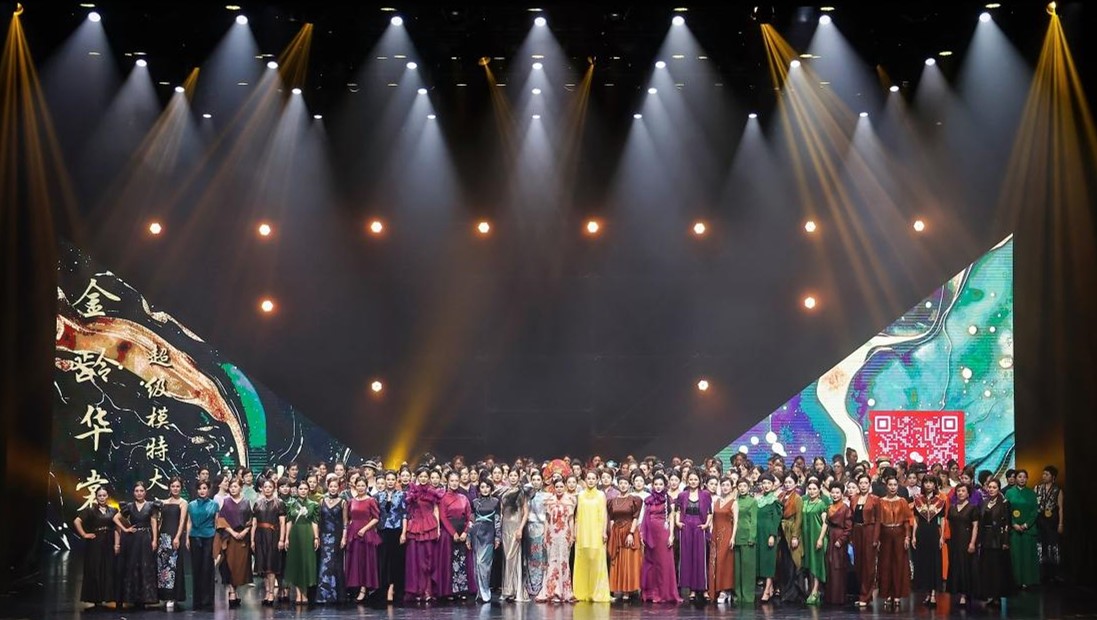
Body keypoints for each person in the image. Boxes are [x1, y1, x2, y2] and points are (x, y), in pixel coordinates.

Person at [114, 480, 159, 608]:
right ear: (134, 493)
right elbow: (115, 518)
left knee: (145, 565)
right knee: (132, 565)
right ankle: (132, 597)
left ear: (145, 492)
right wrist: (125, 529)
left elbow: (154, 523)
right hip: (132, 539)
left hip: (146, 538)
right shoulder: (129, 506)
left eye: (141, 491)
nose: (139, 493)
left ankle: (145, 598)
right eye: (137, 491)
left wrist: (154, 540)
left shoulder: (151, 506)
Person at [73, 486, 118, 608]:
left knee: (108, 569)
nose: (102, 498)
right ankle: (96, 598)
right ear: (96, 497)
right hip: (95, 543)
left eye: (104, 495)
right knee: (95, 569)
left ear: (108, 496)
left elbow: (117, 528)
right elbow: (77, 521)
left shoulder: (113, 511)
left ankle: (108, 596)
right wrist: (84, 534)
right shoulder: (90, 510)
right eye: (99, 496)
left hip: (109, 541)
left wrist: (117, 544)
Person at [405, 467, 443, 602]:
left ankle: (428, 590)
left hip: (429, 526)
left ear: (429, 478)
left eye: (425, 477)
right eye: (420, 476)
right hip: (415, 527)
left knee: (429, 559)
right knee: (417, 560)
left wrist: (438, 528)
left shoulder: (433, 492)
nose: (423, 479)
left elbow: (436, 510)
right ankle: (418, 591)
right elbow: (409, 510)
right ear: (417, 477)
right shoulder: (412, 491)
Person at [640, 474, 680, 603]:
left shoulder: (668, 499)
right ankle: (651, 592)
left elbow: (671, 518)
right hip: (650, 533)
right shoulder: (648, 499)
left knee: (663, 562)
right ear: (652, 485)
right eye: (656, 484)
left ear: (665, 485)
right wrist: (642, 533)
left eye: (660, 484)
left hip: (663, 533)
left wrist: (671, 535)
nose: (658, 487)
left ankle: (664, 593)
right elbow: (644, 518)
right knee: (651, 563)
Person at [574, 470, 612, 602]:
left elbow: (604, 514)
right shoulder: (581, 495)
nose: (590, 481)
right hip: (583, 531)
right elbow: (578, 515)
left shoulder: (601, 495)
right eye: (588, 478)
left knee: (596, 560)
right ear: (585, 480)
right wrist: (575, 531)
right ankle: (582, 592)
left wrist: (604, 531)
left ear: (597, 480)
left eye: (593, 478)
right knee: (583, 560)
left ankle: (597, 592)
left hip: (596, 532)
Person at [676, 470, 713, 601]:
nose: (693, 482)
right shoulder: (682, 495)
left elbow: (709, 512)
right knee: (687, 557)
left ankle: (703, 589)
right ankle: (691, 589)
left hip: (699, 526)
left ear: (699, 481)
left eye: (695, 479)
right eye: (691, 479)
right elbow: (678, 510)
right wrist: (677, 522)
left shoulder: (705, 494)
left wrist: (706, 525)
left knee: (700, 557)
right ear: (687, 480)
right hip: (686, 525)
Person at [217, 477, 253, 607]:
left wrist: (245, 532)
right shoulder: (226, 502)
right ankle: (232, 592)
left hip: (243, 538)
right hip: (230, 537)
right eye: (231, 487)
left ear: (241, 488)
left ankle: (235, 591)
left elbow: (251, 520)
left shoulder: (246, 502)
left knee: (240, 566)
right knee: (229, 564)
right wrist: (232, 532)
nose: (233, 489)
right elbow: (221, 520)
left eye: (235, 486)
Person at [877, 476, 912, 610]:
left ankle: (897, 595)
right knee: (885, 564)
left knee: (899, 564)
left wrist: (907, 537)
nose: (892, 487)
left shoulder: (902, 501)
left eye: (895, 485)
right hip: (885, 534)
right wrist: (877, 539)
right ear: (886, 486)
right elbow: (878, 522)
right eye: (890, 484)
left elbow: (907, 521)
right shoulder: (880, 502)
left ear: (898, 486)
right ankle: (887, 594)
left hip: (899, 534)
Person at [608, 475, 644, 601]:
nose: (623, 485)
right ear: (618, 485)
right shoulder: (612, 501)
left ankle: (628, 590)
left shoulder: (634, 500)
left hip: (629, 530)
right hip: (616, 531)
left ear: (629, 485)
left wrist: (631, 533)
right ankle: (618, 588)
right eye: (621, 483)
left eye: (625, 483)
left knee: (628, 561)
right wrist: (612, 534)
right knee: (617, 560)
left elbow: (635, 517)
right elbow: (612, 519)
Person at [251, 478, 286, 606]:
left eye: (270, 487)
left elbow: (282, 523)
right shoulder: (257, 503)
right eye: (265, 487)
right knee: (263, 567)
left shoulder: (279, 503)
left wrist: (281, 539)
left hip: (273, 536)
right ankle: (266, 592)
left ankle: (271, 593)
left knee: (271, 567)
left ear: (274, 488)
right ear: (262, 488)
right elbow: (254, 523)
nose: (267, 489)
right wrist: (252, 540)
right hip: (260, 536)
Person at [347, 476, 382, 602]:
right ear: (355, 486)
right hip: (354, 533)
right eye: (359, 485)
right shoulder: (351, 501)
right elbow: (349, 517)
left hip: (366, 534)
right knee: (355, 561)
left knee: (365, 561)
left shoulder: (371, 500)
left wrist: (364, 529)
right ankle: (355, 587)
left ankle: (364, 589)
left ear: (366, 487)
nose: (361, 488)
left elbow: (376, 518)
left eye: (363, 485)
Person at [284, 480, 319, 605]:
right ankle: (298, 594)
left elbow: (314, 522)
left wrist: (316, 537)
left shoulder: (313, 504)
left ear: (309, 490)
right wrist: (286, 538)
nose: (303, 491)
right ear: (297, 490)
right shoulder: (291, 504)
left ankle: (305, 593)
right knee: (296, 563)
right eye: (301, 489)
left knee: (306, 563)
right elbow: (289, 521)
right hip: (295, 534)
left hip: (308, 534)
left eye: (305, 489)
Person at [438, 471, 473, 601]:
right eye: (451, 481)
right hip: (448, 534)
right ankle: (449, 591)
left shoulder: (464, 498)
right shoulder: (443, 498)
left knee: (462, 561)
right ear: (447, 482)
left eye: (456, 481)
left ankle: (462, 590)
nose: (454, 483)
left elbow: (470, 517)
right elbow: (443, 517)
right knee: (449, 562)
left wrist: (465, 532)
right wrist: (453, 533)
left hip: (462, 531)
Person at [978, 478, 1013, 605]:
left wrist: (1005, 541)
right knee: (987, 568)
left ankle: (997, 596)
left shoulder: (1004, 503)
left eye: (994, 487)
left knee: (997, 569)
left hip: (998, 539)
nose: (991, 489)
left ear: (999, 489)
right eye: (990, 487)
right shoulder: (984, 502)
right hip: (985, 538)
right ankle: (989, 594)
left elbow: (1007, 523)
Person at [912, 475, 945, 606]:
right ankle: (926, 593)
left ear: (935, 485)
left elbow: (942, 519)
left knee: (934, 562)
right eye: (926, 482)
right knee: (923, 562)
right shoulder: (917, 500)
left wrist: (942, 536)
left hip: (934, 533)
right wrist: (914, 536)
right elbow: (916, 519)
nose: (928, 485)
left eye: (931, 482)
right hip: (921, 533)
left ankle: (933, 594)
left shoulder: (940, 501)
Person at [155, 477, 188, 610]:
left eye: (177, 486)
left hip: (174, 536)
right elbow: (159, 520)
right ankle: (164, 596)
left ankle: (173, 596)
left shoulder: (183, 502)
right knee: (162, 566)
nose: (175, 488)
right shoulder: (163, 502)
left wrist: (177, 537)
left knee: (173, 566)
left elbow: (182, 521)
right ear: (169, 487)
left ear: (181, 488)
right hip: (163, 537)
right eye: (173, 486)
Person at [375, 469, 407, 603]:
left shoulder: (402, 495)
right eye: (388, 479)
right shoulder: (378, 496)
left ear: (396, 481)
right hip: (382, 530)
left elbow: (405, 515)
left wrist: (404, 533)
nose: (390, 482)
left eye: (392, 479)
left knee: (395, 560)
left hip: (396, 530)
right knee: (383, 560)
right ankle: (383, 587)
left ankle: (393, 588)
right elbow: (375, 515)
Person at [1005, 469, 1040, 588]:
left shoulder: (1031, 493)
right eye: (1019, 477)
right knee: (1016, 556)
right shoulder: (1009, 493)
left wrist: (1026, 525)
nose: (1022, 479)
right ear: (1015, 478)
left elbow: (1034, 511)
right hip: (1014, 530)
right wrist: (1014, 524)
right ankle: (1016, 581)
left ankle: (1028, 581)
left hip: (1028, 530)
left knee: (1027, 556)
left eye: (1024, 477)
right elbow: (1006, 511)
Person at [498, 468, 530, 601]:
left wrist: (520, 529)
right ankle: (508, 589)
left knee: (512, 557)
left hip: (516, 527)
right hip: (505, 527)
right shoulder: (503, 492)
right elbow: (501, 511)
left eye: (515, 475)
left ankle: (514, 589)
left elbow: (525, 512)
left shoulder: (522, 493)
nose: (512, 478)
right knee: (507, 558)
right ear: (507, 477)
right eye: (510, 475)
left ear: (518, 477)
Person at [946, 483, 979, 607]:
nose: (960, 493)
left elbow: (975, 526)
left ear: (968, 493)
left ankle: (965, 594)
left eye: (963, 491)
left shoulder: (972, 508)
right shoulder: (952, 508)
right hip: (954, 541)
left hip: (966, 540)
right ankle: (957, 591)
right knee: (956, 565)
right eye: (958, 491)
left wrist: (972, 542)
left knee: (966, 566)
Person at [187, 480, 218, 611]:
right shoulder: (191, 505)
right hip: (194, 537)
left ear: (208, 490)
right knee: (196, 569)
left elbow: (216, 523)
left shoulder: (214, 504)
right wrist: (187, 538)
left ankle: (208, 600)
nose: (202, 491)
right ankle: (197, 600)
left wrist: (216, 540)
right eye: (200, 488)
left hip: (209, 537)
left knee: (207, 569)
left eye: (204, 488)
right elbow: (189, 522)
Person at [850, 474, 880, 607]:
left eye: (865, 483)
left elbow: (878, 520)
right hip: (857, 531)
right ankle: (862, 593)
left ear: (869, 484)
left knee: (868, 564)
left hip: (869, 530)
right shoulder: (854, 499)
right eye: (861, 483)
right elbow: (851, 519)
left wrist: (876, 538)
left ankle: (866, 596)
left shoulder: (875, 499)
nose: (863, 485)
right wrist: (851, 537)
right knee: (859, 564)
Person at [316, 478, 348, 604]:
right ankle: (323, 595)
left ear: (339, 488)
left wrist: (344, 537)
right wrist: (317, 536)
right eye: (331, 486)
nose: (333, 489)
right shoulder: (322, 501)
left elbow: (345, 522)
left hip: (337, 536)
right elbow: (319, 521)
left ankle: (336, 595)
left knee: (335, 564)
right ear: (328, 487)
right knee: (324, 565)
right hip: (324, 536)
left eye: (335, 486)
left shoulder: (343, 502)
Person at [470, 479, 502, 603]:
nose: (485, 489)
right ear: (479, 489)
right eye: (482, 487)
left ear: (491, 488)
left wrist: (497, 537)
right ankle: (480, 592)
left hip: (489, 534)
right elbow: (471, 520)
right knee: (477, 563)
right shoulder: (474, 502)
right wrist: (468, 536)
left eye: (487, 487)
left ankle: (485, 590)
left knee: (485, 564)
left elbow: (497, 520)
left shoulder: (495, 501)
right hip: (476, 534)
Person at [707, 477, 736, 604]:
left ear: (731, 487)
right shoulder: (716, 501)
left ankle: (725, 590)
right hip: (715, 534)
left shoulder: (734, 502)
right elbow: (712, 518)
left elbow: (736, 522)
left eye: (727, 485)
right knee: (714, 561)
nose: (725, 487)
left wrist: (733, 537)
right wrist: (710, 532)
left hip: (727, 534)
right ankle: (715, 589)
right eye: (723, 485)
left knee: (724, 562)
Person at [777, 473, 804, 603]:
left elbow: (799, 519)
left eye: (790, 482)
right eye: (786, 482)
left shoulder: (797, 498)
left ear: (795, 483)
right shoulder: (781, 496)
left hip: (791, 530)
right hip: (782, 531)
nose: (787, 485)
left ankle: (793, 593)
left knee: (793, 562)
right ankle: (784, 591)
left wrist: (795, 536)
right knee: (784, 563)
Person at [823, 482, 851, 606]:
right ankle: (830, 597)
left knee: (838, 567)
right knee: (830, 565)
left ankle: (839, 597)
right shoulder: (829, 507)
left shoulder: (845, 508)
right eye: (833, 492)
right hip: (830, 537)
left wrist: (841, 540)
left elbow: (849, 528)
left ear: (842, 493)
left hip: (839, 538)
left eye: (837, 493)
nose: (835, 495)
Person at [801, 479, 828, 605]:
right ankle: (812, 589)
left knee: (817, 563)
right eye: (810, 489)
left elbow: (825, 523)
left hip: (817, 536)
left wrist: (821, 538)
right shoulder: (804, 502)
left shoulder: (821, 504)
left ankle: (815, 591)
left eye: (814, 489)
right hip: (806, 537)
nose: (812, 491)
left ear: (819, 490)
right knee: (809, 563)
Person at [755, 474, 781, 602]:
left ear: (773, 485)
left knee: (769, 562)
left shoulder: (774, 501)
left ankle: (766, 590)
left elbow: (776, 519)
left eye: (768, 483)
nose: (766, 486)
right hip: (759, 534)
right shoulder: (758, 499)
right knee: (762, 561)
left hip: (768, 534)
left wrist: (772, 535)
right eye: (764, 483)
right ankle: (769, 588)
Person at [1035, 465, 1064, 583]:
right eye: (1043, 474)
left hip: (1052, 522)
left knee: (1053, 547)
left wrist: (1060, 523)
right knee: (1041, 547)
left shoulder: (1058, 490)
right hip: (1040, 521)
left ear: (1053, 477)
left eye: (1047, 474)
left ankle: (1054, 574)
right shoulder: (1037, 488)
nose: (1044, 476)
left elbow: (1060, 508)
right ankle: (1042, 574)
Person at [524, 470, 549, 599]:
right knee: (529, 558)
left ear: (542, 482)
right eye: (533, 480)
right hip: (528, 528)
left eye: (538, 480)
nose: (536, 482)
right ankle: (530, 585)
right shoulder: (526, 495)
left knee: (540, 557)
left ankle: (540, 586)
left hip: (541, 527)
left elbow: (547, 516)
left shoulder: (547, 496)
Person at [733, 478, 758, 604]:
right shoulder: (735, 501)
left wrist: (752, 537)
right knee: (737, 570)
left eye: (744, 486)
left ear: (748, 488)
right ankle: (738, 595)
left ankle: (748, 596)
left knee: (748, 569)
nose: (742, 488)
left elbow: (754, 521)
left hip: (747, 537)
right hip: (735, 537)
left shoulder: (752, 501)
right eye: (740, 486)